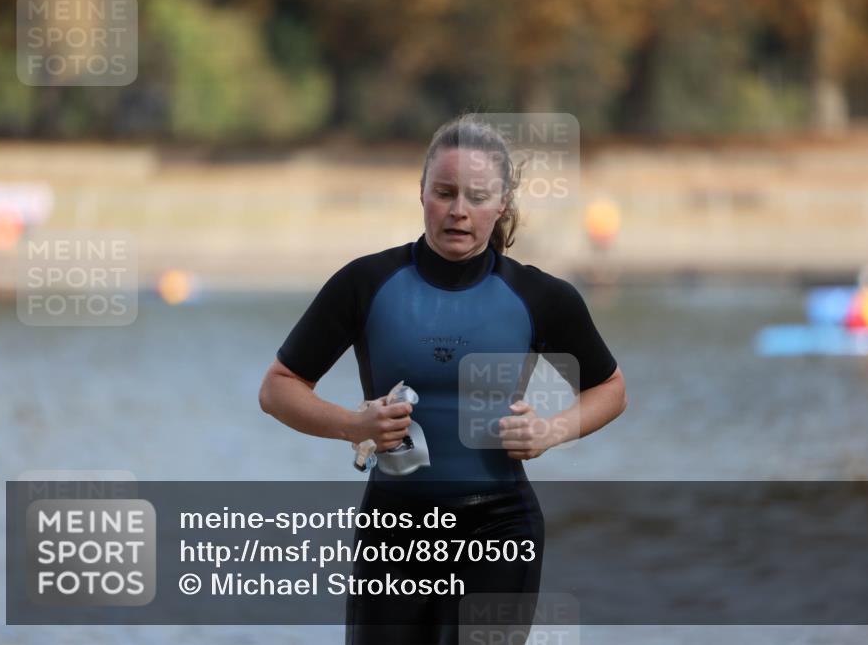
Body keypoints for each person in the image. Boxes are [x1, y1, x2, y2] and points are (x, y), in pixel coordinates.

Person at [259, 115, 628, 644]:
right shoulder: (366, 284)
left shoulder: (541, 297)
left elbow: (610, 389)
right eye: (445, 192)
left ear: (501, 204)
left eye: (477, 197)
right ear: (422, 193)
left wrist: (551, 431)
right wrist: (352, 424)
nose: (459, 211)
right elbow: (278, 387)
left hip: (499, 528)